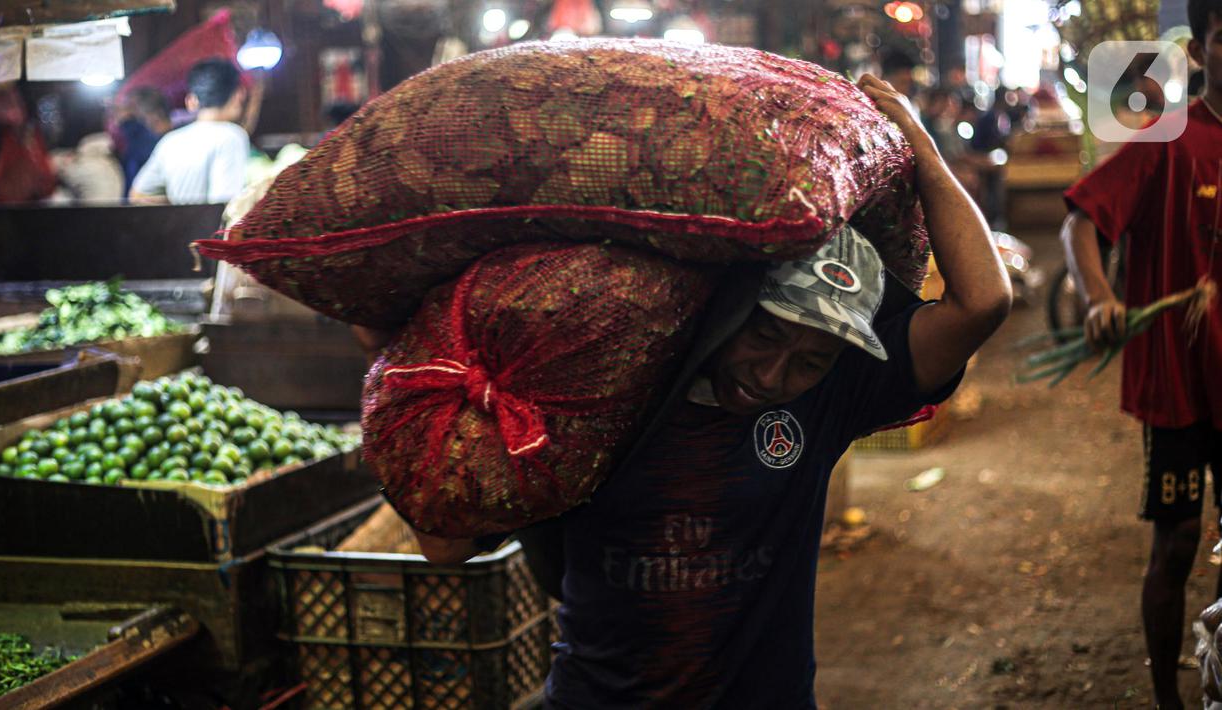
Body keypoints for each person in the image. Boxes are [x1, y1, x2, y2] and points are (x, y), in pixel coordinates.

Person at [374, 73, 1011, 707]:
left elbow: (982, 302)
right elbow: (446, 545)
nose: (772, 376)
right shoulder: (608, 382)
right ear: (729, 307)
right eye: (763, 337)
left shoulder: (826, 399)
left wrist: (921, 150)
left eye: (809, 360)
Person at [1060, 1, 1222, 707]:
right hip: (1177, 384)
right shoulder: (1167, 140)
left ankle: (1216, 672)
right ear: (1200, 51)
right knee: (1178, 541)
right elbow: (1080, 222)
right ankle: (1165, 698)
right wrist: (1098, 298)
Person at [129, 58, 250, 205]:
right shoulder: (232, 136)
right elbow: (226, 205)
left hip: (179, 227)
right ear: (238, 95)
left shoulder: (170, 141)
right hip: (211, 228)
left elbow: (136, 195)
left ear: (192, 100)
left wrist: (179, 205)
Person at [0, 82, 56, 204]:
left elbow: (47, 182)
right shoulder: (1, 139)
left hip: (28, 208)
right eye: (1, 97)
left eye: (15, 98)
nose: (12, 103)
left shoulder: (30, 134)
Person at [115, 87, 172, 197]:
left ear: (155, 116)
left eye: (132, 115)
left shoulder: (150, 145)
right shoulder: (137, 144)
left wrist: (128, 124)